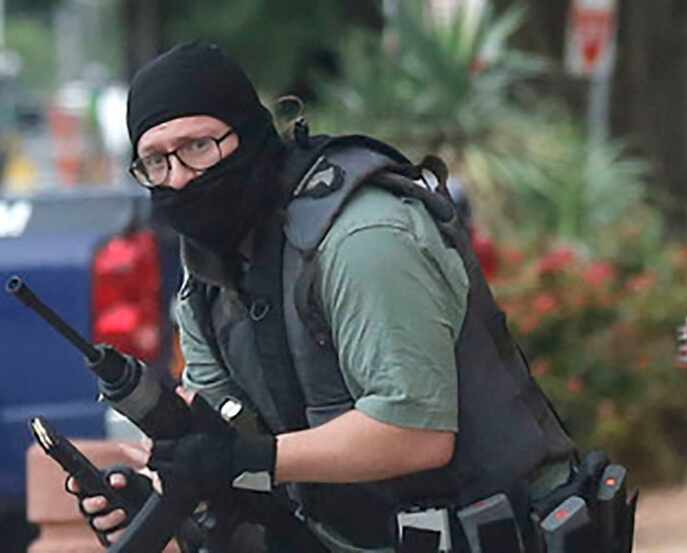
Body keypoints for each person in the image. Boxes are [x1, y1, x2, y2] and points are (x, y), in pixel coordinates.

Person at [67, 41, 579, 553]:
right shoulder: (208, 272)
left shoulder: (362, 238)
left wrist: (244, 462)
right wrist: (161, 499)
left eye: (198, 146)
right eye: (155, 161)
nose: (178, 177)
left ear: (247, 134)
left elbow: (415, 433)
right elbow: (229, 440)